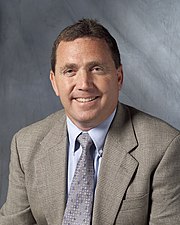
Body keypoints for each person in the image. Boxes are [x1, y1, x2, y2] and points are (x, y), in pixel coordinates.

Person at [0, 18, 180, 225]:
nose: (84, 84)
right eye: (70, 71)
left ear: (118, 77)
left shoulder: (164, 147)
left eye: (96, 69)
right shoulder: (25, 144)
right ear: (54, 82)